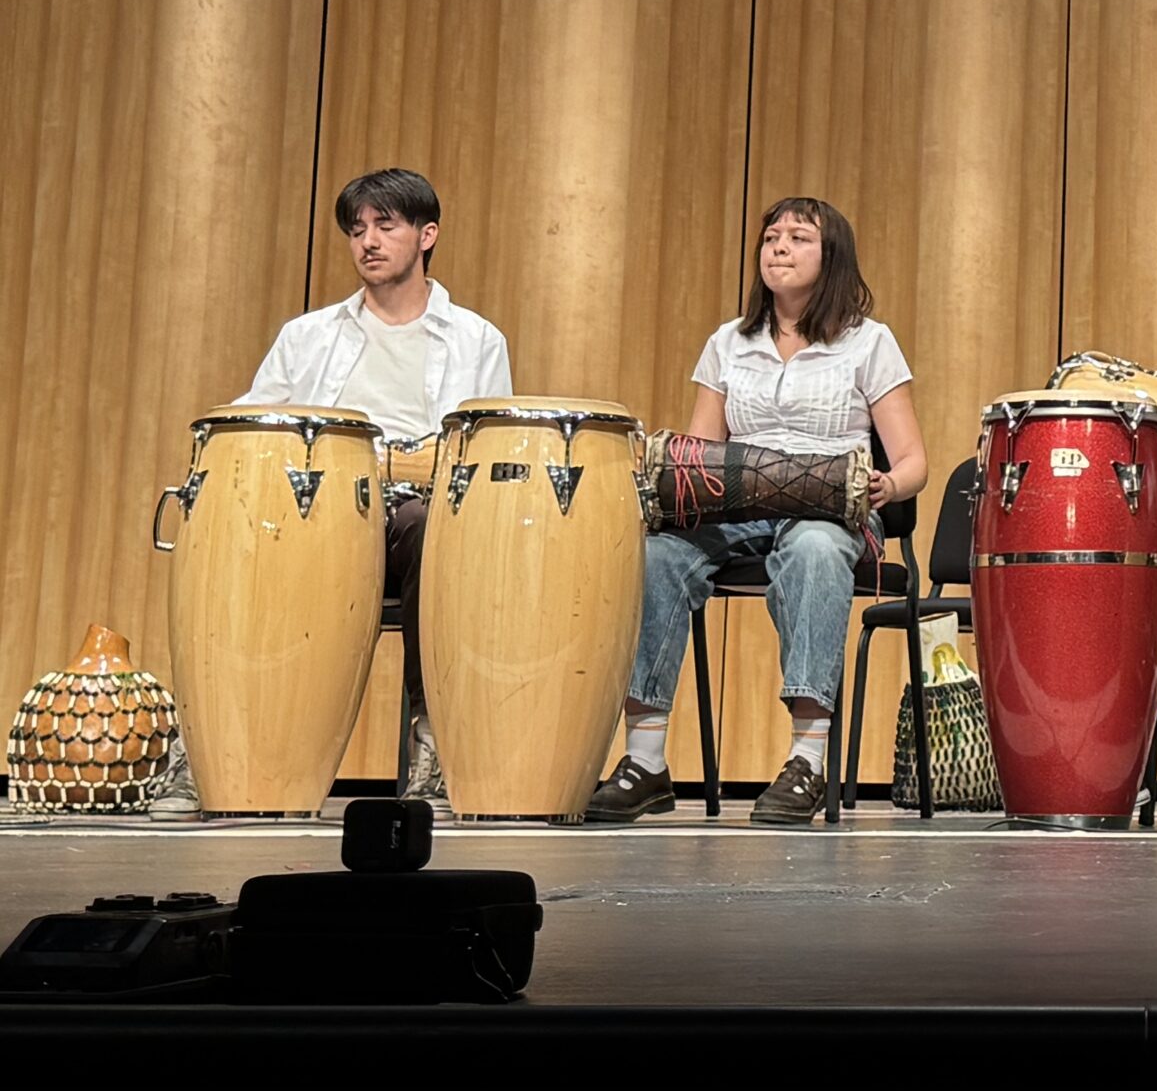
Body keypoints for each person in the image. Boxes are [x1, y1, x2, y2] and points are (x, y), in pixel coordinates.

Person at [153, 168, 512, 821]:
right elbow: (254, 417)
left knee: (435, 526)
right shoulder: (309, 334)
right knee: (229, 531)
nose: (368, 241)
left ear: (426, 235)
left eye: (386, 225)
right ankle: (205, 746)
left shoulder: (477, 339)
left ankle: (434, 743)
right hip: (311, 506)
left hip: (413, 505)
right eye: (357, 229)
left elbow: (480, 450)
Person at [587, 197, 928, 828]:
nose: (779, 247)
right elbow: (701, 453)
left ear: (833, 258)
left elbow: (914, 463)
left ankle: (806, 758)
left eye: (799, 237)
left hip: (833, 507)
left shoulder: (868, 342)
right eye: (772, 236)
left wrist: (886, 485)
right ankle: (646, 761)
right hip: (740, 504)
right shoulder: (728, 342)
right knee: (658, 554)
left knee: (815, 549)